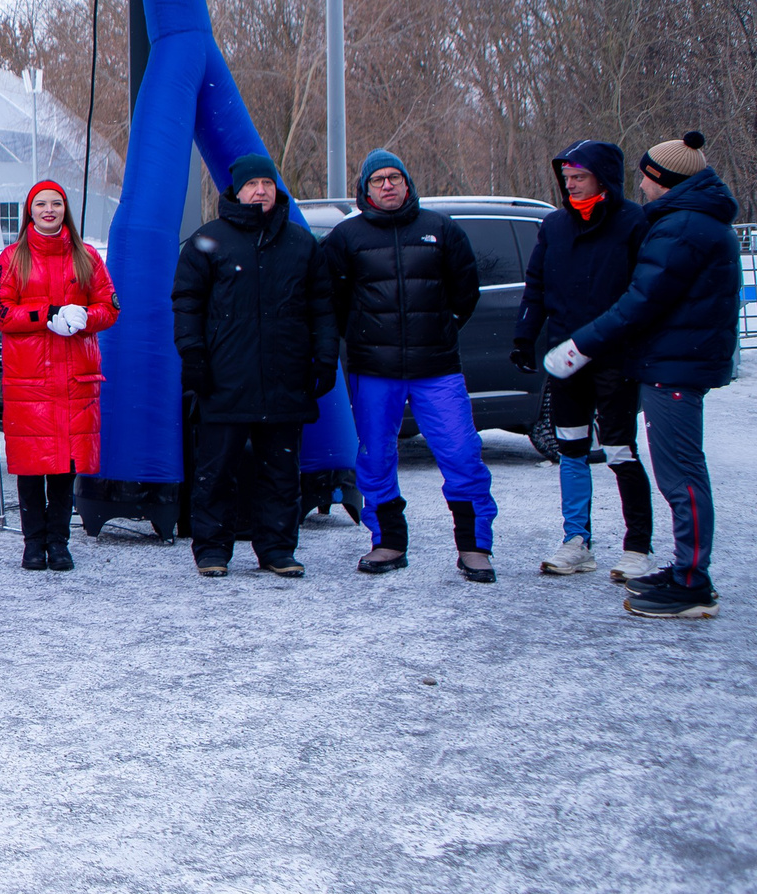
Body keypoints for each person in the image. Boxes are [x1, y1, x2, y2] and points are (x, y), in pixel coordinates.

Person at [548, 132, 741, 619]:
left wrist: (581, 344)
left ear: (664, 180)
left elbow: (642, 300)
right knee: (678, 471)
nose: (641, 184)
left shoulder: (682, 227)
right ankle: (685, 570)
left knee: (681, 475)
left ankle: (693, 583)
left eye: (646, 176)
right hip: (671, 360)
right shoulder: (687, 221)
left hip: (675, 364)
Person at [320, 149, 498, 581]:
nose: (386, 185)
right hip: (373, 369)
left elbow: (466, 291)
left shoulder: (440, 229)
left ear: (407, 183)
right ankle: (388, 542)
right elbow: (333, 300)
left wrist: (441, 328)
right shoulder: (346, 238)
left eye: (394, 178)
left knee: (461, 453)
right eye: (377, 179)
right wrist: (362, 334)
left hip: (437, 368)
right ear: (365, 188)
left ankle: (474, 547)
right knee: (376, 457)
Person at [171, 154, 337, 578]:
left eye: (267, 182)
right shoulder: (208, 241)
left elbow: (323, 308)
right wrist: (193, 358)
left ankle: (278, 549)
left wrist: (325, 358)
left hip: (286, 378)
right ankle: (212, 551)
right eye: (252, 184)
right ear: (236, 191)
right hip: (225, 379)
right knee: (215, 472)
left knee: (281, 472)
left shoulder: (302, 244)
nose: (260, 190)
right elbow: (186, 305)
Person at [513, 141, 653, 579]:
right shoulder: (554, 226)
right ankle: (577, 540)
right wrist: (524, 335)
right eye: (567, 178)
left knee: (618, 448)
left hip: (616, 356)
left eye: (580, 177)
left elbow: (642, 293)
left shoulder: (634, 222)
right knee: (570, 448)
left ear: (603, 178)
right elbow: (535, 285)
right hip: (565, 357)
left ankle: (637, 547)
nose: (571, 185)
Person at [0, 180, 118, 571]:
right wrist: (45, 315)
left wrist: (84, 317)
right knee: (31, 465)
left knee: (65, 465)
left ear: (65, 210)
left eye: (55, 203)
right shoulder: (11, 258)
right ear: (30, 210)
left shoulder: (86, 256)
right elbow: (0, 312)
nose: (48, 210)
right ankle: (33, 544)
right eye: (41, 203)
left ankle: (59, 542)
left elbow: (109, 307)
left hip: (75, 380)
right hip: (30, 381)